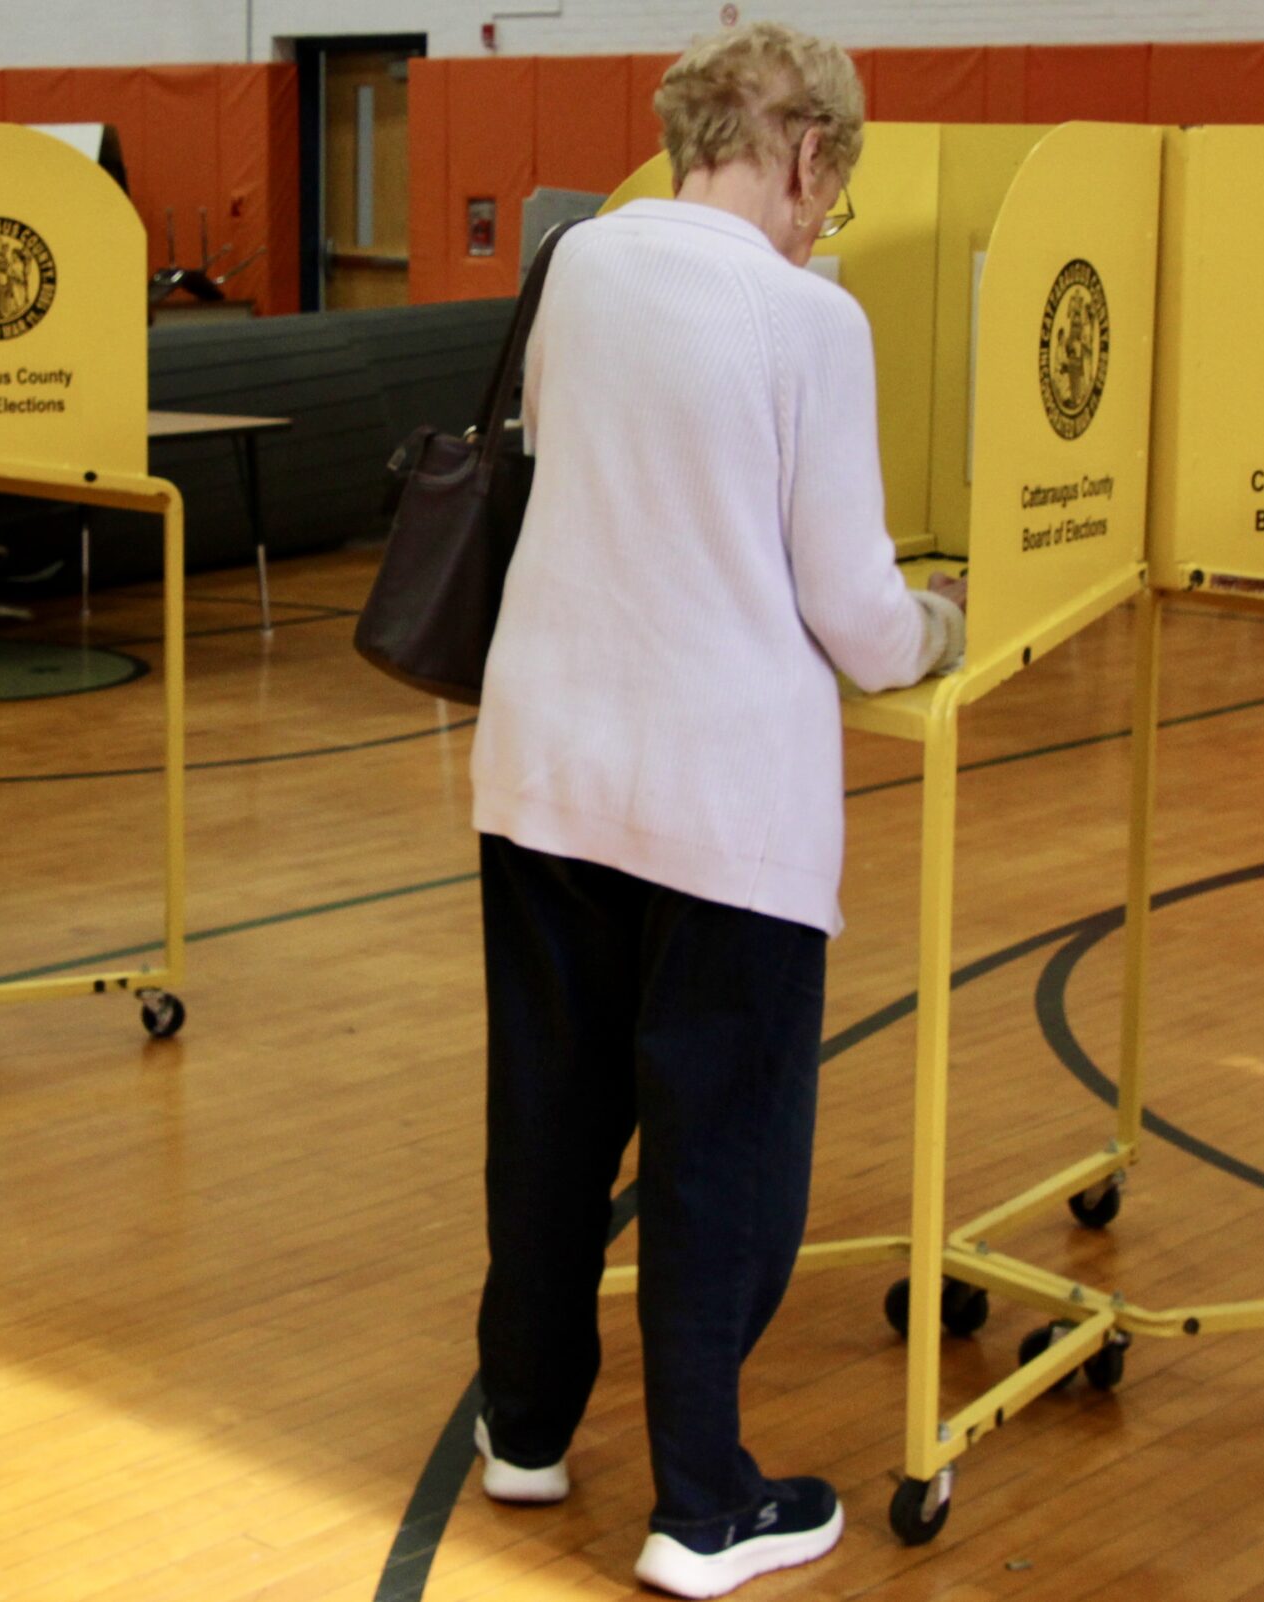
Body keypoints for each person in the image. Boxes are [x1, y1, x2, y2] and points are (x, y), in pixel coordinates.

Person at [465, 22, 966, 1599]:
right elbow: (860, 618)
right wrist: (944, 620)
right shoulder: (808, 318)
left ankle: (527, 1430)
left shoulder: (580, 267)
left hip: (546, 767)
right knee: (720, 1148)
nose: (835, 213)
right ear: (808, 153)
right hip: (720, 801)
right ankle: (706, 1502)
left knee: (549, 1120)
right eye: (840, 182)